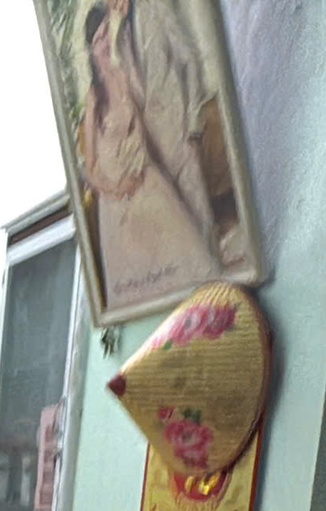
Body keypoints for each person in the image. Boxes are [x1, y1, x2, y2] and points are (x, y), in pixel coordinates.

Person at [82, 2, 218, 307]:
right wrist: (121, 178)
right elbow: (95, 158)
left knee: (199, 233)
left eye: (104, 34)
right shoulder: (116, 46)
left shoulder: (156, 8)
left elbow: (189, 59)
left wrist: (194, 126)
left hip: (178, 135)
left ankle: (218, 298)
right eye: (98, 38)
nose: (112, 5)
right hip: (145, 163)